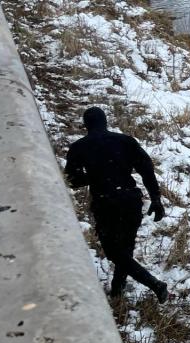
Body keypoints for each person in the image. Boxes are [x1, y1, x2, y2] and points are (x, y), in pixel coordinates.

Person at [64, 107, 168, 302]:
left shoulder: (79, 147)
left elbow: (72, 180)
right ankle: (117, 290)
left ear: (86, 125)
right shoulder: (125, 141)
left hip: (106, 203)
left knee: (113, 251)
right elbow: (147, 169)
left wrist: (93, 175)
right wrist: (155, 198)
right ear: (105, 122)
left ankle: (155, 284)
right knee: (125, 248)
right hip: (131, 200)